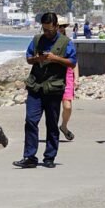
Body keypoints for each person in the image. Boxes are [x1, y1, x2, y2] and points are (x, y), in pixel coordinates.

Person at [13, 12, 77, 169]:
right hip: (36, 87)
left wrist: (56, 59)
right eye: (44, 29)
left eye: (49, 30)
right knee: (31, 121)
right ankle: (29, 156)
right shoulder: (37, 40)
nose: (46, 33)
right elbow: (28, 58)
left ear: (56, 27)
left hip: (54, 89)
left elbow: (72, 62)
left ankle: (49, 157)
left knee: (52, 124)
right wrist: (38, 59)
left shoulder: (66, 42)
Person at [56, 17, 79, 140]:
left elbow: (74, 61)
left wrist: (77, 78)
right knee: (52, 106)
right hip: (53, 76)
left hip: (67, 75)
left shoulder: (68, 42)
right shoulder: (50, 41)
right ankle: (53, 130)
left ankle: (64, 126)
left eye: (63, 26)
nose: (61, 29)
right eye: (59, 26)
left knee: (67, 106)